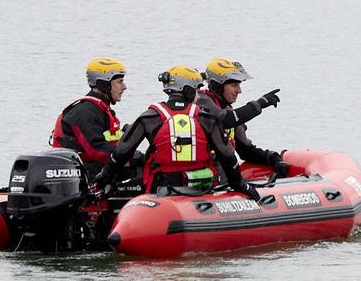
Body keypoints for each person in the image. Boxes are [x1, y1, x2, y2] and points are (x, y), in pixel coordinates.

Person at [107, 65, 257, 200]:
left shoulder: (149, 117)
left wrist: (103, 179)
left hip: (160, 191)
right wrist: (240, 186)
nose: (199, 96)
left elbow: (121, 152)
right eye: (197, 90)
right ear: (188, 90)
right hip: (200, 190)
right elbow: (227, 156)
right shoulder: (205, 118)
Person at [200, 57, 291, 178]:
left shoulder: (227, 111)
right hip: (198, 181)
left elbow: (246, 151)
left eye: (239, 85)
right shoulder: (201, 103)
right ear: (218, 85)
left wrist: (272, 157)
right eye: (234, 85)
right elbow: (226, 120)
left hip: (221, 180)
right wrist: (259, 104)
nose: (239, 90)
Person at [48, 58, 127, 176]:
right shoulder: (84, 112)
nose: (124, 87)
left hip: (102, 170)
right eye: (120, 82)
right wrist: (128, 156)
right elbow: (96, 150)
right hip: (85, 176)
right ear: (104, 84)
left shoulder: (101, 110)